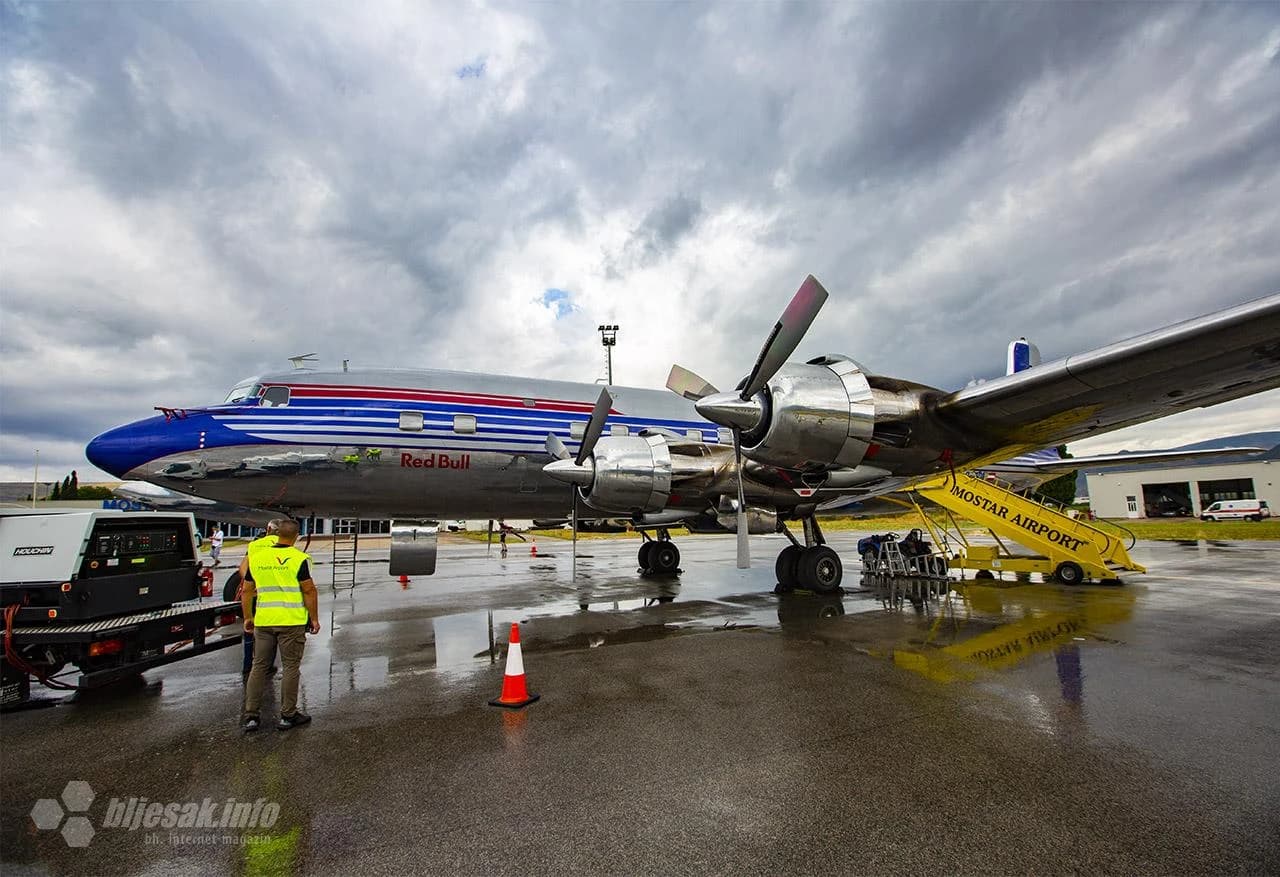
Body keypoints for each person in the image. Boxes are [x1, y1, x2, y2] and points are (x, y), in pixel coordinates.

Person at [240, 520, 319, 732]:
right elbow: (309, 590)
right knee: (291, 667)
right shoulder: (298, 559)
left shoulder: (257, 558)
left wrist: (248, 616)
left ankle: (251, 716)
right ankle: (287, 715)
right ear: (295, 537)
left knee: (258, 667)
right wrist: (314, 619)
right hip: (291, 621)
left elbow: (247, 590)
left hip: (264, 621)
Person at [236, 519, 283, 681]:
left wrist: (250, 581)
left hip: (255, 595)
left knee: (250, 631)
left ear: (268, 529)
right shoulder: (284, 544)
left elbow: (243, 567)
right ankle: (267, 665)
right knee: (272, 633)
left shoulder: (255, 545)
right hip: (274, 597)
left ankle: (248, 666)